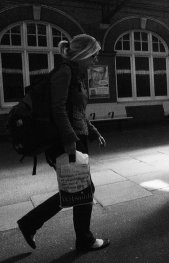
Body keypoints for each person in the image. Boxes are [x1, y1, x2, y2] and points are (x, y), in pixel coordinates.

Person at [17, 34, 110, 252]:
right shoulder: (65, 72)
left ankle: (32, 223)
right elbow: (57, 109)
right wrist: (70, 141)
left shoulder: (74, 74)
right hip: (65, 142)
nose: (96, 60)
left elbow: (75, 110)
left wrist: (94, 132)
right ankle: (83, 239)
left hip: (74, 138)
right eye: (94, 55)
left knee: (77, 188)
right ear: (84, 53)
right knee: (82, 188)